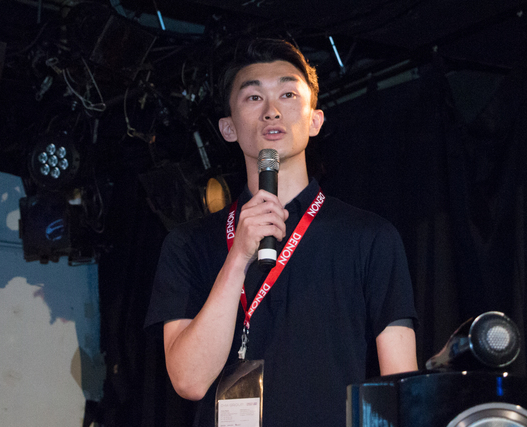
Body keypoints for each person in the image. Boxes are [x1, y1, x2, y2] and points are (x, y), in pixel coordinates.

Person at [144, 38, 418, 426]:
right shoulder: (189, 244)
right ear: (228, 128)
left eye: (288, 94)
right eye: (253, 97)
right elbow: (189, 381)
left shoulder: (369, 236)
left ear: (315, 120)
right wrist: (237, 258)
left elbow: (401, 386)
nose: (272, 111)